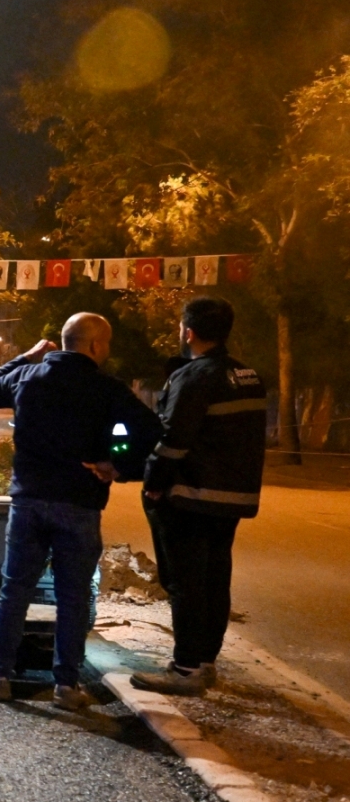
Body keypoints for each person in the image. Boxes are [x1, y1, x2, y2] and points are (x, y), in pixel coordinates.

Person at [0, 313, 162, 709]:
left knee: (14, 590)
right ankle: (65, 685)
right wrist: (118, 465)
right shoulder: (106, 387)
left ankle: (0, 675)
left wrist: (25, 356)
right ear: (94, 345)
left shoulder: (28, 376)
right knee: (72, 597)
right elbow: (149, 428)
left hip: (28, 502)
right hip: (79, 503)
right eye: (106, 344)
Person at [132, 296, 267, 696]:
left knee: (186, 582)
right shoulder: (248, 375)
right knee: (214, 579)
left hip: (191, 495)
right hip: (233, 499)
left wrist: (153, 481)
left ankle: (186, 667)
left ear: (188, 332)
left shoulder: (192, 377)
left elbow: (173, 441)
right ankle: (205, 662)